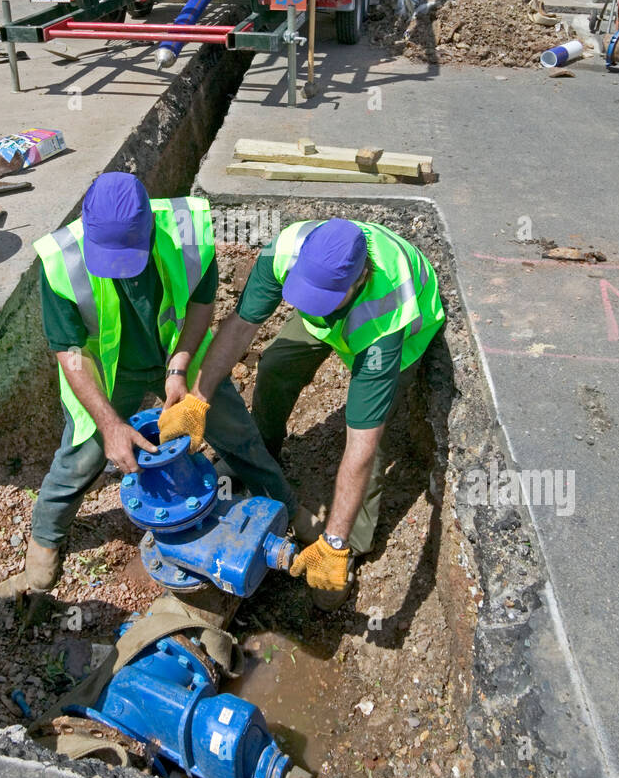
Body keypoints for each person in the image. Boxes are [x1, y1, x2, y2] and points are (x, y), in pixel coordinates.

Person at [0, 172, 295, 595]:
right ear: (87, 227)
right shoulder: (61, 260)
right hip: (106, 368)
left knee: (235, 432)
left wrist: (179, 368)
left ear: (149, 230)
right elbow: (70, 352)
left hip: (177, 352)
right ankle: (45, 538)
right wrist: (109, 425)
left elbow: (200, 302)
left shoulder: (188, 232)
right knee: (80, 459)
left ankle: (286, 506)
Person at [159, 218, 445, 611]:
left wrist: (335, 541)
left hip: (394, 333)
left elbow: (360, 444)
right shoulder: (289, 250)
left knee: (370, 446)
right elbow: (241, 325)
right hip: (329, 310)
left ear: (359, 279)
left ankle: (345, 547)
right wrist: (198, 398)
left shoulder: (385, 311)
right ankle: (264, 453)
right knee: (276, 365)